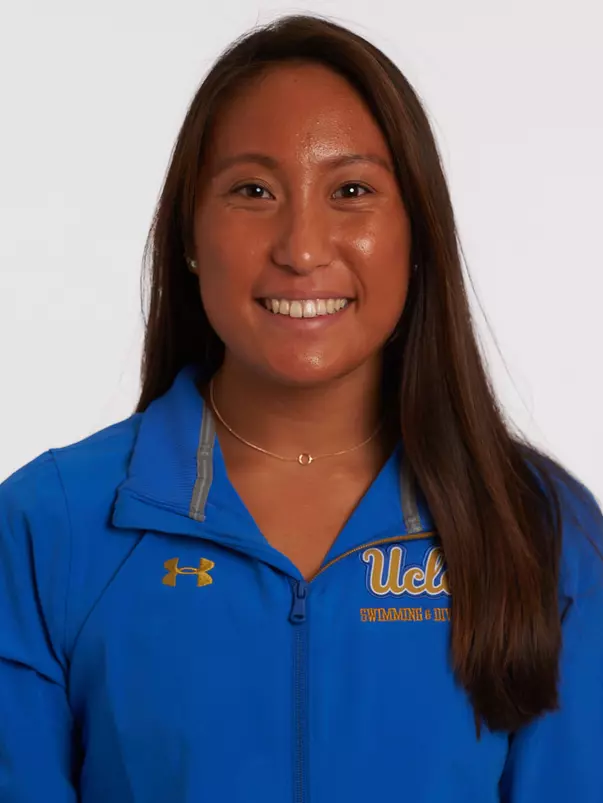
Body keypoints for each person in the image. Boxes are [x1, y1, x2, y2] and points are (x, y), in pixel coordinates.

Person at [0, 12, 601, 803]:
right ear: (188, 234)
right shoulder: (51, 526)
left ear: (417, 234)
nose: (302, 246)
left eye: (351, 191)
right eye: (252, 190)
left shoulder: (534, 524)